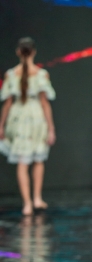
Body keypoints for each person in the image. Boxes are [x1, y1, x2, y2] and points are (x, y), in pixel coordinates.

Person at [0, 38, 56, 216]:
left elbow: (7, 104)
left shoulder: (11, 74)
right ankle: (36, 198)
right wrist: (51, 128)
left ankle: (28, 203)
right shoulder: (41, 74)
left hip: (19, 117)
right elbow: (45, 103)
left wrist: (1, 125)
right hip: (36, 117)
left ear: (18, 52)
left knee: (24, 162)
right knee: (37, 159)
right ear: (33, 52)